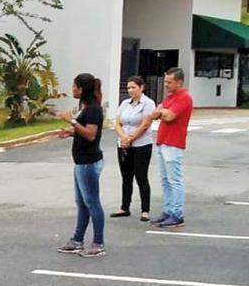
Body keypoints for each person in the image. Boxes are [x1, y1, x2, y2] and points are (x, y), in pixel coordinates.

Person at [56, 73, 106, 258]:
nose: (72, 89)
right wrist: (71, 132)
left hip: (88, 163)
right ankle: (77, 240)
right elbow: (83, 131)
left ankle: (98, 243)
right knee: (82, 203)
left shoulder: (93, 109)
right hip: (81, 162)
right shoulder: (85, 107)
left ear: (82, 89)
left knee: (92, 202)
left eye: (75, 86)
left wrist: (71, 121)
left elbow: (91, 135)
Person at [150, 67, 194, 229]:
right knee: (165, 180)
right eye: (166, 81)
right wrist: (162, 110)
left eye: (169, 82)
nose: (166, 85)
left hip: (174, 143)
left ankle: (177, 214)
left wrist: (162, 111)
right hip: (163, 141)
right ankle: (168, 211)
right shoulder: (170, 98)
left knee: (174, 180)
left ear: (179, 82)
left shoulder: (184, 98)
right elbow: (155, 113)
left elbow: (169, 116)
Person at [112, 76, 155, 222]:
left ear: (141, 87)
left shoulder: (148, 103)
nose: (130, 90)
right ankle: (125, 207)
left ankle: (145, 209)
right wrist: (124, 138)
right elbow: (117, 123)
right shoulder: (125, 103)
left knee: (141, 177)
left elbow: (144, 125)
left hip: (141, 144)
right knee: (126, 176)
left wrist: (131, 139)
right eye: (128, 88)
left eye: (133, 87)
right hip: (124, 144)